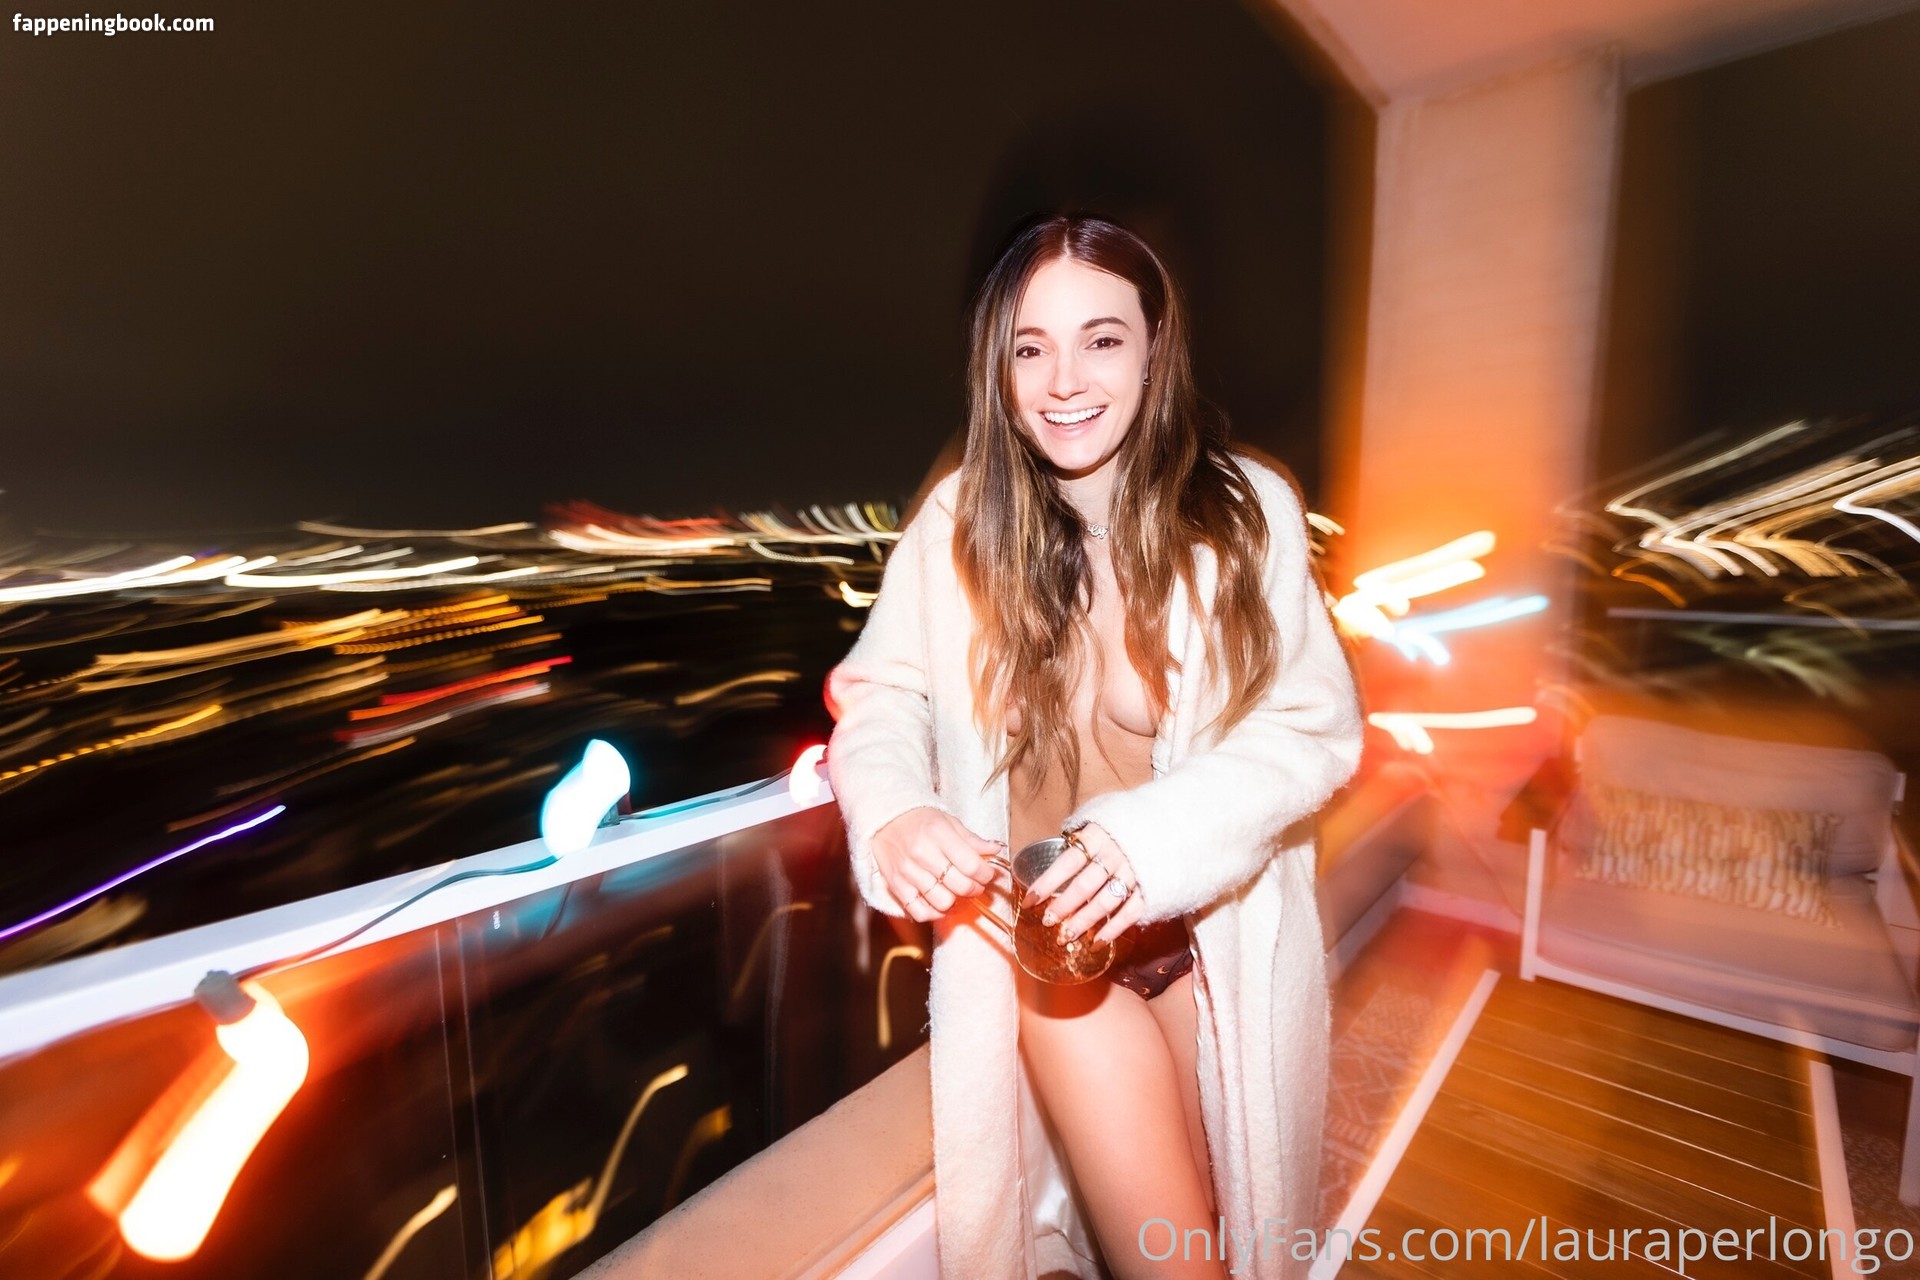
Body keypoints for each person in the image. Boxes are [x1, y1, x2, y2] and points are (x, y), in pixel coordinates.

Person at [826, 213, 1362, 1280]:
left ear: (1155, 347)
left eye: (1102, 339)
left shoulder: (1246, 515)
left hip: (1210, 945)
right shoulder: (960, 527)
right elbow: (882, 691)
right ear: (1000, 368)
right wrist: (893, 809)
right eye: (1031, 348)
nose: (1064, 380)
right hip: (1061, 959)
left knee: (1241, 1237)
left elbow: (1313, 726)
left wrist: (1147, 839)